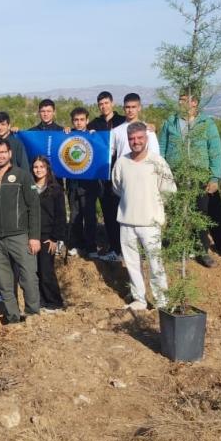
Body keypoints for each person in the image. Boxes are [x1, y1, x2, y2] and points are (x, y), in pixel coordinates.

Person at [158, 92, 221, 266]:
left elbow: (215, 152)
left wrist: (214, 177)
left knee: (200, 214)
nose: (180, 103)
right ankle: (176, 248)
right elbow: (161, 148)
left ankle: (201, 251)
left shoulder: (207, 123)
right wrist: (161, 173)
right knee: (175, 213)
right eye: (179, 100)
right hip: (175, 176)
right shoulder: (170, 122)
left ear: (194, 102)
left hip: (200, 177)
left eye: (184, 100)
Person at [111, 122, 177, 310]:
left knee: (156, 263)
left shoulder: (158, 162)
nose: (136, 142)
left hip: (150, 223)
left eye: (140, 138)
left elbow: (169, 190)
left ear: (146, 139)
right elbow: (117, 187)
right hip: (126, 221)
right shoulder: (122, 162)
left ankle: (161, 301)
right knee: (132, 263)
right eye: (132, 139)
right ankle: (139, 298)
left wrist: (155, 207)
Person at [0, 138, 41, 323]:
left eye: (2, 152)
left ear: (10, 153)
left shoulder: (22, 175)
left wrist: (34, 237)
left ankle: (32, 314)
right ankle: (13, 316)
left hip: (20, 236)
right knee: (5, 282)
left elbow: (34, 207)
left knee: (29, 277)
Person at [86, 91, 127, 260]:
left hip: (123, 172)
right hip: (103, 176)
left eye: (106, 103)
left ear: (112, 103)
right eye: (100, 104)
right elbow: (82, 138)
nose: (103, 106)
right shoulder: (94, 124)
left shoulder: (123, 121)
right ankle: (114, 248)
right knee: (109, 212)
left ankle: (127, 249)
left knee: (124, 212)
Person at [65, 107, 103, 258]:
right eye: (76, 120)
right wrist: (65, 132)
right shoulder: (68, 136)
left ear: (87, 120)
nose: (79, 123)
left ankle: (91, 247)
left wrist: (96, 138)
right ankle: (77, 245)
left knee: (90, 216)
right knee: (75, 216)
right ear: (72, 121)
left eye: (82, 119)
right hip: (73, 184)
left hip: (90, 185)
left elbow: (103, 151)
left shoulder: (94, 136)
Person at [32, 156, 66, 313]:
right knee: (35, 270)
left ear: (47, 169)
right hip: (32, 235)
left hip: (47, 236)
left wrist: (55, 238)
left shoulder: (55, 189)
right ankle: (42, 301)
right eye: (36, 167)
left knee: (46, 270)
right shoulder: (30, 187)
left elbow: (60, 215)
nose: (38, 170)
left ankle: (55, 302)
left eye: (41, 167)